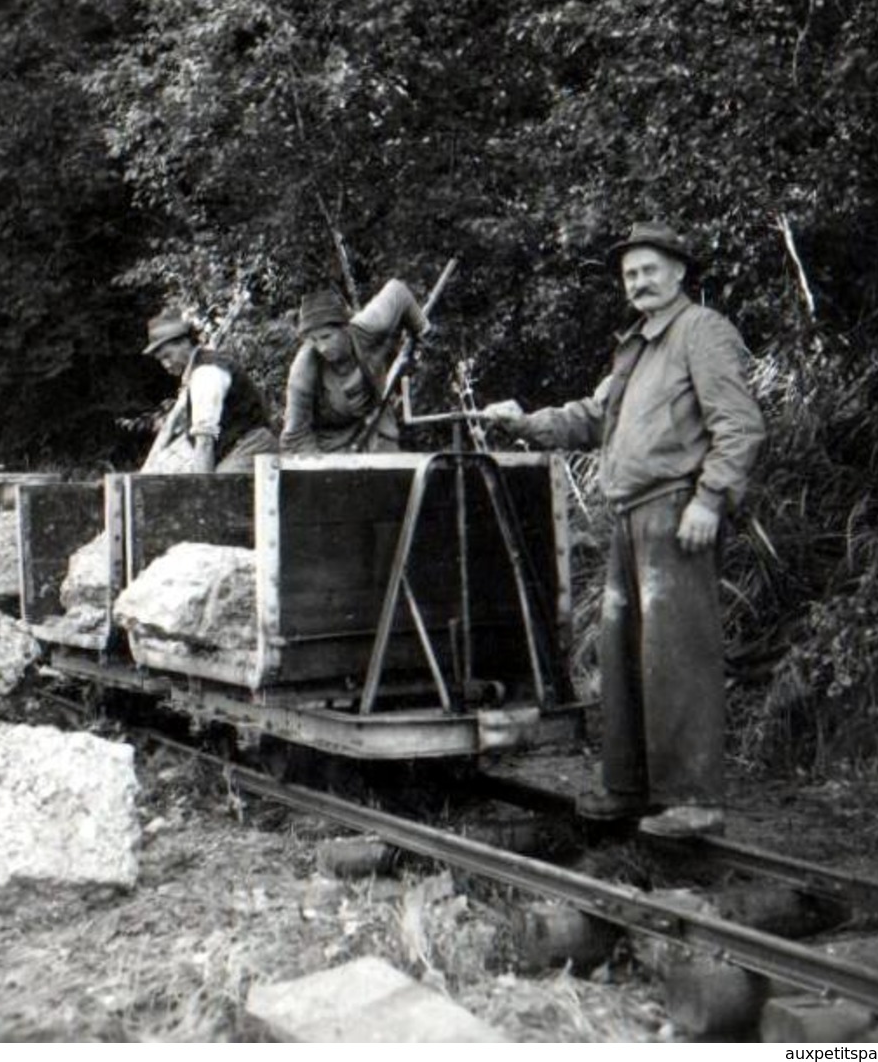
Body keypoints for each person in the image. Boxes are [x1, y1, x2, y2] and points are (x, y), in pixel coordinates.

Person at [483, 222, 766, 837]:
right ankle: (632, 790)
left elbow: (739, 425)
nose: (638, 282)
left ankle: (693, 799)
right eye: (630, 274)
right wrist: (524, 424)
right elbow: (592, 418)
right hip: (629, 516)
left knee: (677, 655)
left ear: (679, 273)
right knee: (625, 655)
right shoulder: (635, 347)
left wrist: (710, 500)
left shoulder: (702, 332)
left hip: (676, 511)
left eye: (650, 270)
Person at [280, 279, 427, 454]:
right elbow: (295, 437)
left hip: (376, 422)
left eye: (327, 337)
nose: (322, 347)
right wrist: (320, 471)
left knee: (391, 471)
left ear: (345, 328)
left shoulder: (369, 326)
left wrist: (423, 332)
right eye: (314, 340)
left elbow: (398, 291)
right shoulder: (303, 370)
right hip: (331, 442)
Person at [141, 305, 277, 474]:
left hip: (252, 445)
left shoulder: (207, 373)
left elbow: (204, 441)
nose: (166, 364)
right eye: (161, 360)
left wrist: (203, 489)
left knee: (218, 494)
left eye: (168, 356)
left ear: (185, 343)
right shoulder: (194, 372)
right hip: (233, 446)